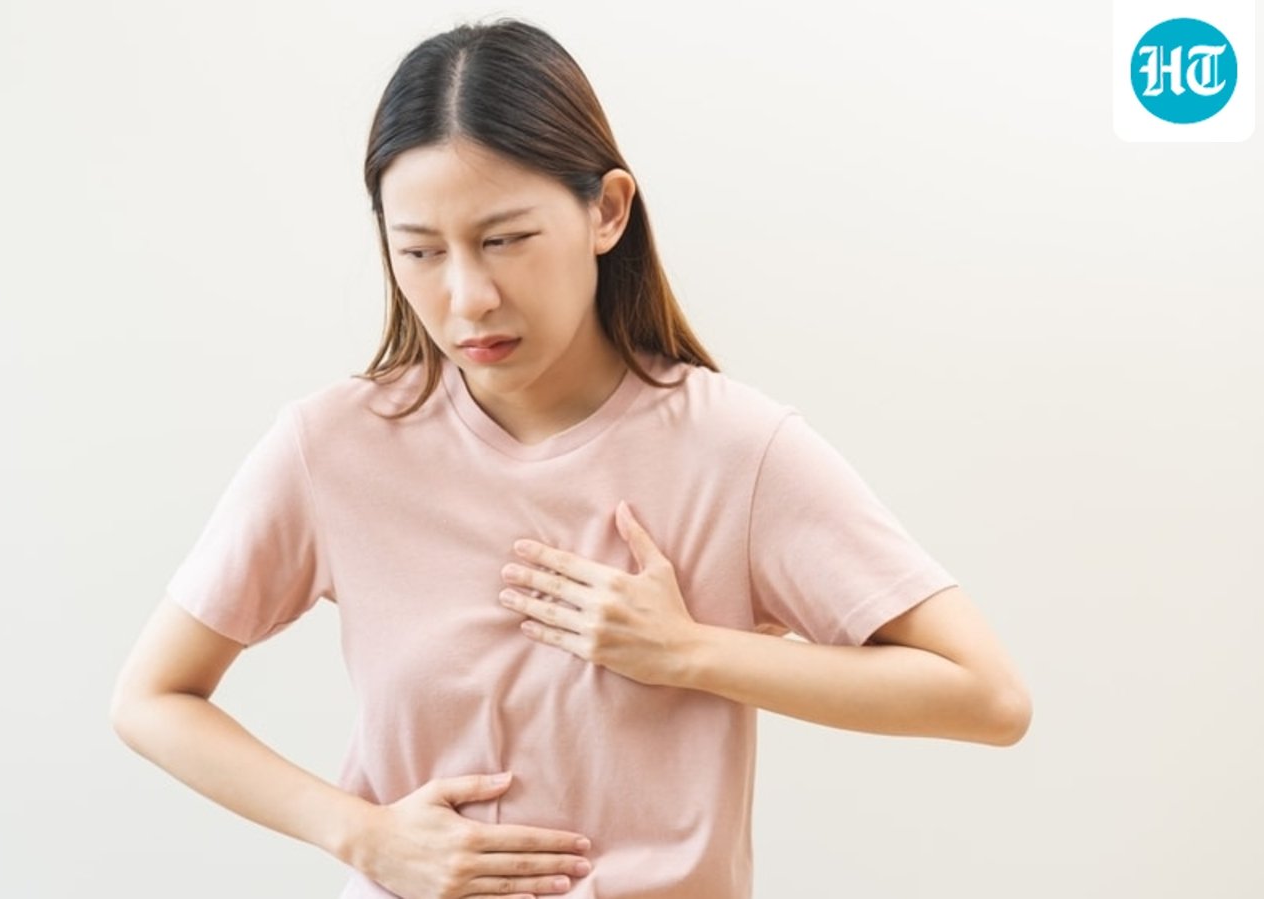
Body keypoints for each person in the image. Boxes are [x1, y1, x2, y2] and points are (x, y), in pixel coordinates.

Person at [109, 17, 1031, 899]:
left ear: (607, 211)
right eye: (419, 251)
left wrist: (690, 652)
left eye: (505, 240)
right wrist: (362, 832)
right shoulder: (332, 447)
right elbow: (151, 697)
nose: (468, 296)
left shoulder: (736, 449)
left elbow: (987, 696)